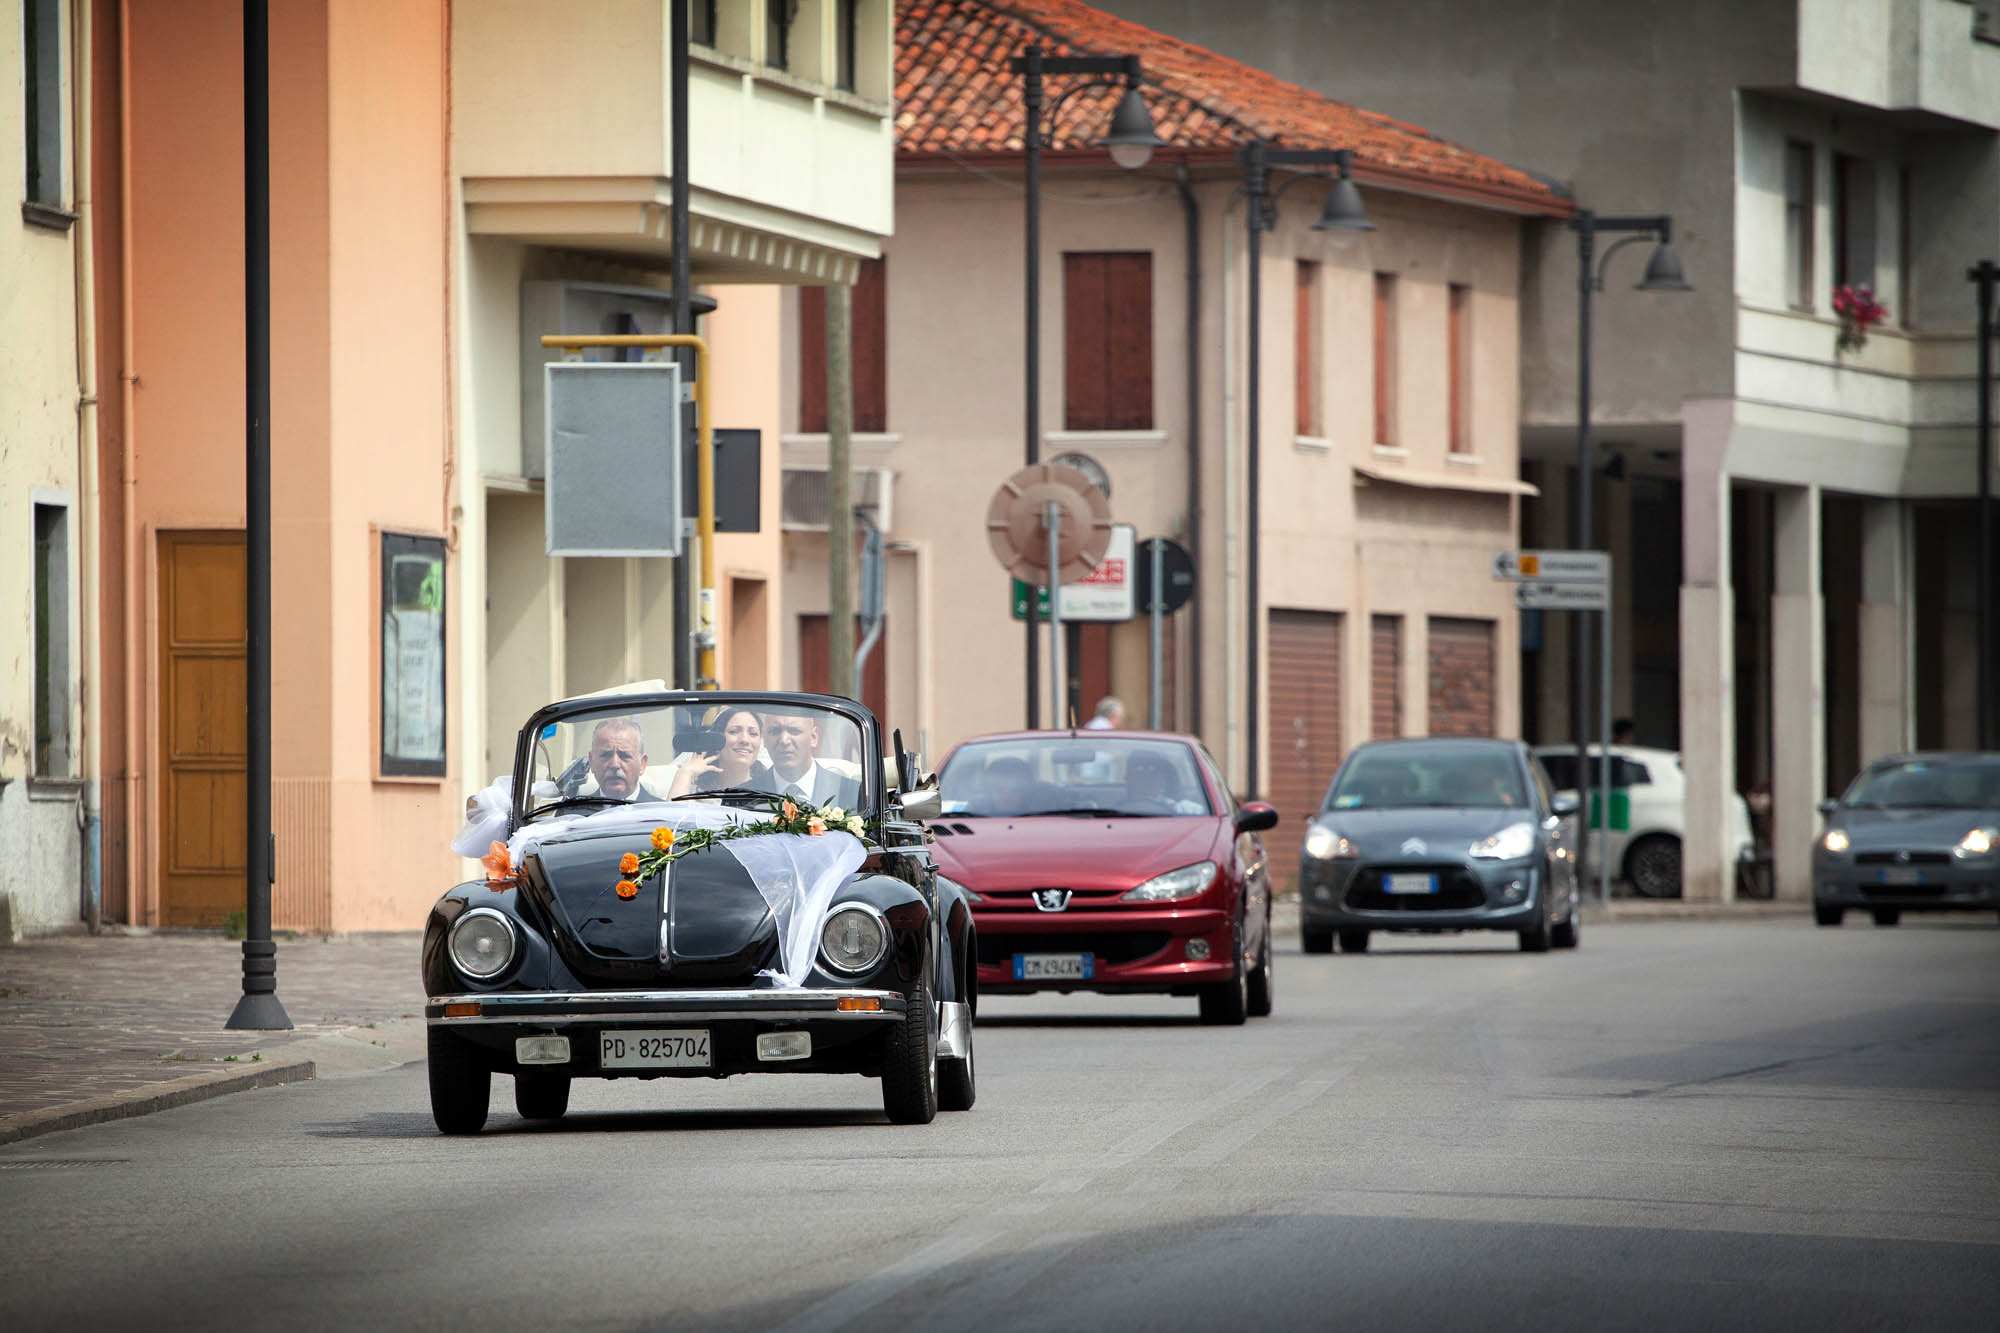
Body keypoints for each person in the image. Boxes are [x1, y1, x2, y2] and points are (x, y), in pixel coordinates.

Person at [755, 709, 860, 809]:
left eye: (794, 731)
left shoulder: (852, 793)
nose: (784, 740)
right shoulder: (745, 793)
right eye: (775, 731)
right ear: (764, 739)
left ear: (814, 737)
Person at [667, 706, 763, 797]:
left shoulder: (769, 789)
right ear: (716, 740)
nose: (745, 740)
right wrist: (686, 772)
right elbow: (673, 813)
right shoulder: (693, 791)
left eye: (753, 734)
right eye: (734, 732)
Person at [579, 716, 657, 801]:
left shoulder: (662, 811)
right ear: (592, 762)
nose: (614, 764)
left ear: (642, 764)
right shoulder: (575, 812)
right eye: (606, 755)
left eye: (625, 756)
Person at [1124, 750, 1203, 814]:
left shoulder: (1185, 809)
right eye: (1139, 770)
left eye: (1154, 771)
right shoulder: (1114, 811)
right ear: (1127, 778)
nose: (1147, 776)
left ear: (1164, 779)